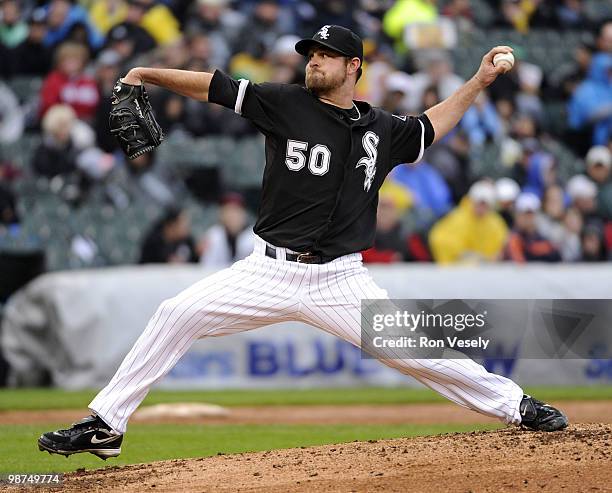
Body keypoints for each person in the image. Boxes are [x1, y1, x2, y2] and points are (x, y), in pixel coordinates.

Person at [38, 25, 568, 461]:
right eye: (311, 53)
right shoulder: (283, 103)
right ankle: (107, 424)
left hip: (340, 278)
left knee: (417, 351)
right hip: (265, 271)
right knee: (176, 313)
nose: (314, 60)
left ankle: (515, 405)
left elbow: (432, 126)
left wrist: (477, 80)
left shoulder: (382, 128)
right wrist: (145, 74)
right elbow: (214, 86)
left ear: (353, 67)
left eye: (327, 55)